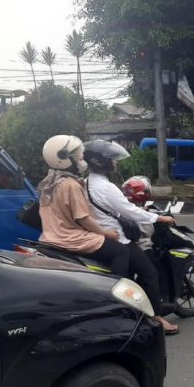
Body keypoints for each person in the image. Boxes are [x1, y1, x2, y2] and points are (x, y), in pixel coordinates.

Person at [83, 140, 180, 335]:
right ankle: (157, 318)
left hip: (97, 237)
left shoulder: (85, 183)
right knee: (149, 274)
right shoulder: (106, 187)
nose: (116, 163)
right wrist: (160, 217)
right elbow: (130, 212)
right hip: (118, 239)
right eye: (112, 159)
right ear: (103, 162)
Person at [37, 134, 128, 274]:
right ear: (64, 158)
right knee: (121, 252)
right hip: (71, 239)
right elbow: (83, 218)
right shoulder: (71, 185)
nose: (82, 159)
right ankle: (115, 290)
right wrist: (106, 233)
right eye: (79, 156)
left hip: (49, 238)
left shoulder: (48, 183)